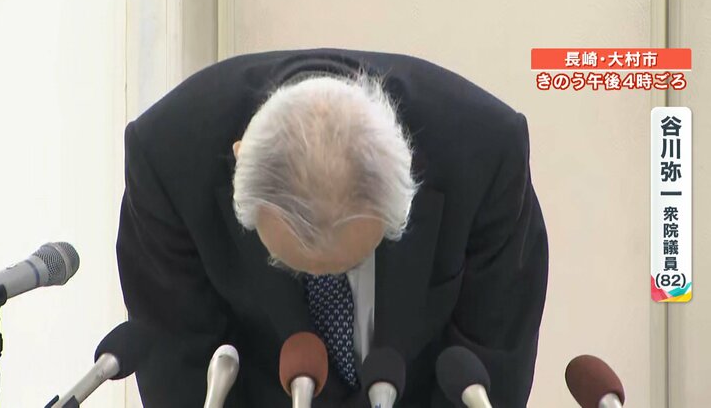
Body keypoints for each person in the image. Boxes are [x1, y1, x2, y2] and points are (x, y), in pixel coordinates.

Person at [116, 47, 549, 407]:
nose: (324, 275)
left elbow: (490, 360)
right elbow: (182, 369)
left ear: (406, 179)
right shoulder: (169, 160)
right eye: (290, 262)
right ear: (239, 163)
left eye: (351, 261)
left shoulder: (485, 154)